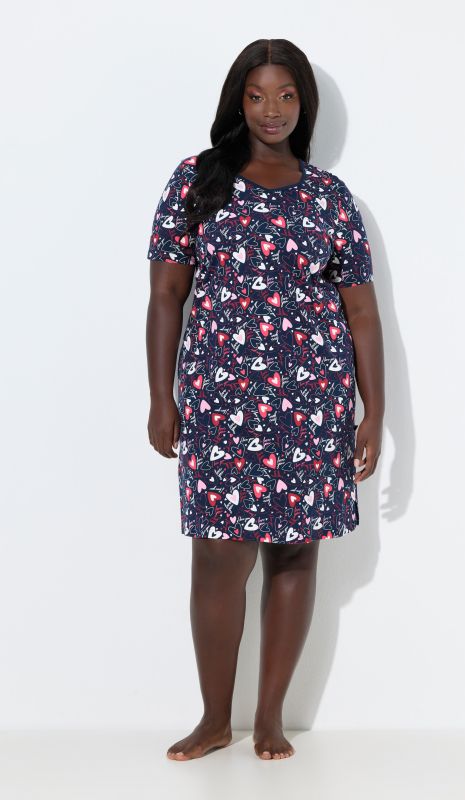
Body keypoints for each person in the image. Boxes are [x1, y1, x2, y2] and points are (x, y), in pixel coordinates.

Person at [145, 38, 385, 761]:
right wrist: (161, 397)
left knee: (293, 555)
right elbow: (166, 295)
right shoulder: (197, 181)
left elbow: (362, 313)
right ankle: (215, 718)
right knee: (218, 557)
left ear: (303, 103)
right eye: (256, 95)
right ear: (237, 101)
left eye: (285, 95)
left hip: (312, 403)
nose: (271, 110)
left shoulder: (329, 198)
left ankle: (271, 717)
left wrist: (374, 411)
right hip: (219, 401)